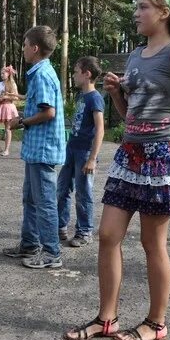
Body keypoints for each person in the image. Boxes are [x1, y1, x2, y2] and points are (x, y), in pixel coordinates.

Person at [64, 0, 170, 340]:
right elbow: (129, 110)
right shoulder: (136, 54)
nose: (137, 13)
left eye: (143, 7)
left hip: (163, 156)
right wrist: (116, 93)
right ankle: (107, 318)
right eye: (137, 7)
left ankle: (156, 323)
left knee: (152, 243)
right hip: (130, 153)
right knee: (108, 235)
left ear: (163, 11)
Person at [2, 26, 66, 269]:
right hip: (37, 149)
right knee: (30, 198)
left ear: (35, 48)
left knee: (45, 201)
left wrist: (21, 122)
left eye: (26, 44)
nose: (24, 48)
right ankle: (29, 244)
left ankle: (52, 253)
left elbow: (48, 112)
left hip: (44, 149)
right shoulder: (39, 72)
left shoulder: (41, 74)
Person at [57, 56, 105, 248]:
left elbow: (100, 129)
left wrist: (92, 159)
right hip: (72, 149)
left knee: (83, 193)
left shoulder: (95, 98)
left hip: (85, 153)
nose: (74, 75)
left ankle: (84, 232)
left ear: (87, 74)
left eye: (77, 72)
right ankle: (60, 226)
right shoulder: (81, 97)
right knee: (62, 189)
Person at [0, 65, 20, 156]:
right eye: (1, 73)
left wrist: (6, 97)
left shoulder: (12, 84)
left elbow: (16, 97)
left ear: (8, 74)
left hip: (8, 107)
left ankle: (6, 150)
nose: (2, 75)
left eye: (3, 73)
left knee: (8, 129)